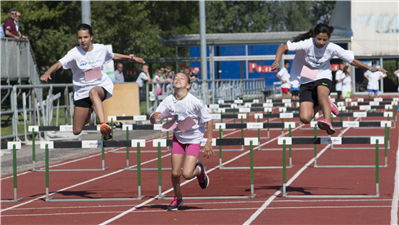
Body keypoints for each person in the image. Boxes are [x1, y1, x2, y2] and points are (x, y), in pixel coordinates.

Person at [271, 23, 387, 135]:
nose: (321, 42)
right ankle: (327, 103)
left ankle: (328, 121)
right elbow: (283, 47)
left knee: (322, 96)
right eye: (319, 39)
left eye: (324, 40)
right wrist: (277, 60)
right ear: (314, 36)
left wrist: (371, 68)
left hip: (323, 76)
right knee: (305, 118)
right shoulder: (307, 44)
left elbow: (351, 61)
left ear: (328, 38)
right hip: (307, 77)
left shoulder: (332, 48)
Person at [40, 24, 145, 140]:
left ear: (91, 37)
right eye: (80, 38)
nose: (82, 40)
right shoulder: (74, 53)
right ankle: (89, 110)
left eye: (85, 37)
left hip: (100, 85)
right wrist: (48, 72)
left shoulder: (101, 49)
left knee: (93, 92)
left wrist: (132, 58)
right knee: (76, 130)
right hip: (82, 91)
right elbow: (59, 63)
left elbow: (113, 56)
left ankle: (104, 126)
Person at [150, 72, 214, 211]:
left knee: (187, 174)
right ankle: (177, 198)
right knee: (175, 173)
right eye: (175, 78)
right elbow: (156, 118)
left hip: (194, 139)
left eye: (182, 78)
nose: (178, 79)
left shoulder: (195, 102)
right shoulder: (168, 100)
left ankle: (200, 170)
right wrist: (153, 117)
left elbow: (209, 120)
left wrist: (208, 142)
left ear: (188, 85)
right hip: (178, 137)